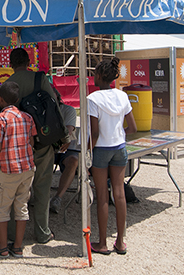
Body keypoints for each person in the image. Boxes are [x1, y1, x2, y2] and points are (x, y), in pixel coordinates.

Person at [0, 47, 62, 244]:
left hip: (15, 147)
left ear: (10, 64)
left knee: (14, 191)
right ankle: (42, 232)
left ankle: (11, 235)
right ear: (29, 61)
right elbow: (54, 106)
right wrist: (63, 135)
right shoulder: (39, 79)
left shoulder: (6, 85)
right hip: (42, 142)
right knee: (42, 187)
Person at [88, 57, 137, 256]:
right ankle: (121, 241)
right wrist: (120, 133)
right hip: (119, 147)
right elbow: (132, 127)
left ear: (99, 76)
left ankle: (102, 242)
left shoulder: (93, 99)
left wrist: (88, 156)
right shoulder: (122, 96)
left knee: (102, 195)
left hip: (101, 149)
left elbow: (95, 133)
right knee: (120, 194)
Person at [0, 81, 37, 258]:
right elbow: (31, 142)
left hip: (8, 170)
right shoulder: (28, 117)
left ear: (1, 100)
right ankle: (17, 246)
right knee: (22, 206)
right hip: (27, 169)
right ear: (17, 99)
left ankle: (2, 247)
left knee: (2, 207)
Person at [50, 89, 79, 214]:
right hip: (48, 148)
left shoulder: (68, 110)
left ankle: (58, 198)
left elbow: (67, 132)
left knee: (73, 161)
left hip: (63, 148)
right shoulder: (42, 110)